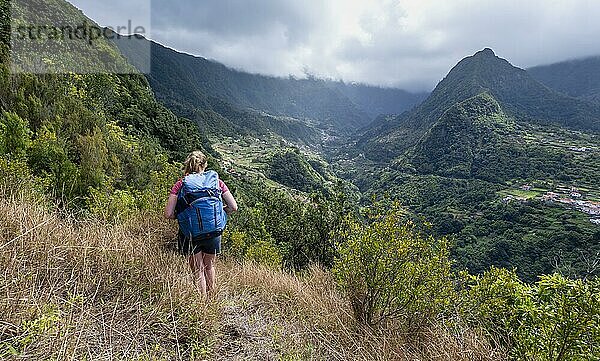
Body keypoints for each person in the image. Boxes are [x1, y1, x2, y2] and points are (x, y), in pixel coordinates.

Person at [164, 151, 238, 295]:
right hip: (214, 230)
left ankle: (202, 306)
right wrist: (221, 211)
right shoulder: (217, 182)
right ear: (205, 165)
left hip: (190, 232)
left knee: (198, 271)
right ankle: (212, 300)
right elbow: (234, 207)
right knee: (209, 267)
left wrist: (182, 216)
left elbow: (168, 214)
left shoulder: (180, 184)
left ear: (187, 165)